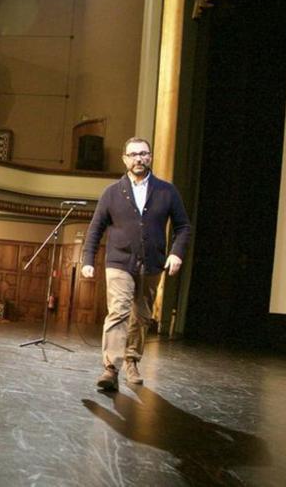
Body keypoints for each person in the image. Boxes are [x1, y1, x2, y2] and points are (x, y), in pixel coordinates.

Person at [81, 137, 191, 391]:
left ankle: (131, 360)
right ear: (125, 159)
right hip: (119, 261)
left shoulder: (166, 191)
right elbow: (95, 229)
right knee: (118, 310)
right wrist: (88, 260)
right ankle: (110, 368)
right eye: (133, 154)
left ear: (150, 157)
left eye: (143, 154)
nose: (138, 159)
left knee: (141, 316)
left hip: (152, 262)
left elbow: (183, 226)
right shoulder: (111, 193)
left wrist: (176, 253)